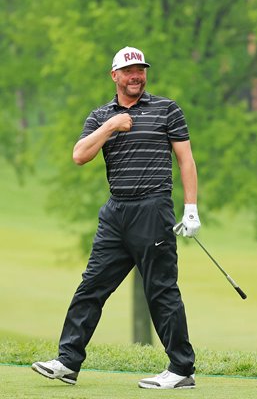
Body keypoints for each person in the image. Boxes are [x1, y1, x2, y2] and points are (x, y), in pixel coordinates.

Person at [32, 46, 201, 390]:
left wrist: (191, 208)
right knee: (91, 286)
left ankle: (181, 368)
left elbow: (185, 159)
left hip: (153, 208)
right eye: (129, 71)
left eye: (140, 70)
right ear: (115, 76)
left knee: (160, 289)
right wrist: (111, 125)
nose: (136, 76)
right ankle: (67, 361)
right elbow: (79, 155)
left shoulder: (167, 109)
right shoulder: (99, 118)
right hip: (115, 213)